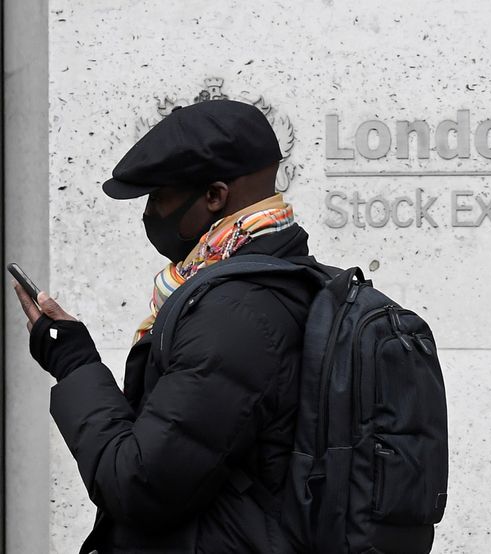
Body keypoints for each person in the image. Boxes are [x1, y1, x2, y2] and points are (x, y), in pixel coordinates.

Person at [13, 99, 319, 553]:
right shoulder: (266, 283)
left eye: (159, 196)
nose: (150, 213)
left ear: (215, 196)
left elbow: (139, 485)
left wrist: (74, 365)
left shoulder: (240, 314)